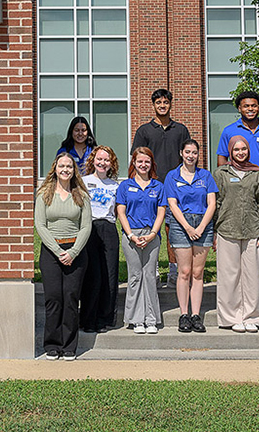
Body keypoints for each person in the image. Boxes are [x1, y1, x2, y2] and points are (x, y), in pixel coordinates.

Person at [216, 91, 259, 289]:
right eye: (246, 106)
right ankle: (236, 274)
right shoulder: (229, 131)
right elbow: (221, 160)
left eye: (254, 106)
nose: (250, 109)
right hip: (236, 187)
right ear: (239, 108)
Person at [35, 153, 92, 360]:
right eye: (62, 166)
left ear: (74, 170)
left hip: (75, 252)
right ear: (55, 168)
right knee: (53, 299)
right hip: (52, 252)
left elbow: (86, 226)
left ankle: (69, 346)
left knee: (70, 298)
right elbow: (40, 225)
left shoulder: (82, 196)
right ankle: (52, 344)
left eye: (69, 166)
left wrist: (73, 252)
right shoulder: (44, 194)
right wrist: (59, 251)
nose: (65, 169)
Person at [133, 88, 192, 285]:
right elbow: (136, 159)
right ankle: (153, 271)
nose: (162, 106)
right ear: (154, 105)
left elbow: (189, 158)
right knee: (151, 228)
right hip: (151, 187)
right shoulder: (144, 131)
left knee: (172, 230)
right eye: (158, 103)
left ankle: (174, 273)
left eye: (165, 102)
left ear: (170, 104)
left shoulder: (181, 130)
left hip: (175, 188)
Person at [212, 136, 259, 332]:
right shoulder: (221, 173)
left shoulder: (257, 174)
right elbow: (216, 203)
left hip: (252, 230)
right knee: (229, 276)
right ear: (230, 152)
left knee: (252, 276)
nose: (240, 153)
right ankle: (231, 317)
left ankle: (252, 316)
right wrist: (214, 231)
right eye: (236, 150)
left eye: (244, 149)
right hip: (227, 228)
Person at [164, 139, 218, 333]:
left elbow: (212, 203)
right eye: (187, 152)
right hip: (181, 225)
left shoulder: (205, 176)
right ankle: (183, 314)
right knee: (184, 272)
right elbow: (172, 204)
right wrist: (187, 227)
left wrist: (202, 226)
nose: (190, 156)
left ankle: (196, 315)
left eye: (194, 152)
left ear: (198, 154)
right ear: (181, 153)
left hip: (203, 223)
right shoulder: (172, 176)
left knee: (198, 273)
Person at [115, 147, 166, 334]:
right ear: (134, 164)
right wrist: (131, 235)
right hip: (131, 236)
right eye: (140, 161)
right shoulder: (124, 186)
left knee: (150, 276)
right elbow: (121, 212)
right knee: (135, 276)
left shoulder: (158, 187)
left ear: (151, 164)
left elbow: (161, 211)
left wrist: (153, 234)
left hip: (152, 236)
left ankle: (151, 319)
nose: (143, 165)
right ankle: (136, 319)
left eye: (147, 161)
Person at [81, 146, 120, 333]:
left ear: (111, 163)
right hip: (90, 229)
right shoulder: (84, 182)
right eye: (99, 159)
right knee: (92, 275)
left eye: (106, 160)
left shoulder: (116, 186)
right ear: (92, 160)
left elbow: (119, 212)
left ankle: (104, 319)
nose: (102, 163)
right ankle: (88, 319)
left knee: (109, 275)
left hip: (109, 229)